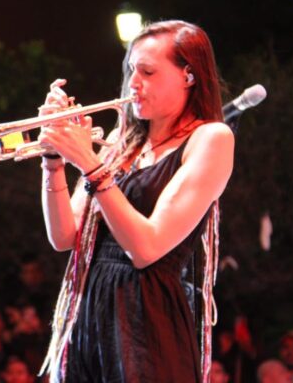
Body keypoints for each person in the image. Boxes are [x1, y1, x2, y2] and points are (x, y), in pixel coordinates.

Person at [37, 20, 234, 382]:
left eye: (148, 72)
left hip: (147, 322)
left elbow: (146, 248)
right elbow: (64, 237)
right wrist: (53, 159)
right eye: (131, 70)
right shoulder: (121, 140)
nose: (133, 83)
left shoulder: (211, 138)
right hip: (90, 312)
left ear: (189, 76)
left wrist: (90, 164)